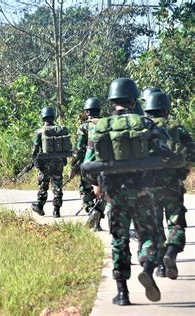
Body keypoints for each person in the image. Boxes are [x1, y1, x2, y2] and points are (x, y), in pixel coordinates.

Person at [81, 78, 175, 306]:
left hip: (115, 194)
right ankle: (146, 268)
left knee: (119, 241)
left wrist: (97, 185)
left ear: (113, 101)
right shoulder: (146, 124)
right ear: (133, 100)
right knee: (149, 237)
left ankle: (122, 293)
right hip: (144, 192)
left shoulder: (101, 127)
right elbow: (164, 155)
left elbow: (88, 162)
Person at [144, 91, 193, 280]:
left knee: (155, 226)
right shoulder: (177, 129)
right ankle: (170, 255)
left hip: (149, 185)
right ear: (166, 109)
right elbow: (193, 152)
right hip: (173, 184)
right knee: (176, 222)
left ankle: (160, 268)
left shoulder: (143, 128)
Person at [69, 97, 105, 231]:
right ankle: (98, 221)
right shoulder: (107, 124)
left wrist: (73, 168)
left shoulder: (84, 126)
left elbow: (78, 150)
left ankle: (91, 211)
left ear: (87, 111)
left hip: (90, 165)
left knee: (85, 191)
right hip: (106, 165)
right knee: (102, 192)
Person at [31, 107, 71, 218]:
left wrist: (37, 164)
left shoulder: (39, 132)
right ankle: (56, 211)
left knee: (43, 186)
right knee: (57, 186)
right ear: (54, 116)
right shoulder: (59, 130)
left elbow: (34, 151)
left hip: (44, 165)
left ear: (43, 117)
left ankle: (39, 206)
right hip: (58, 164)